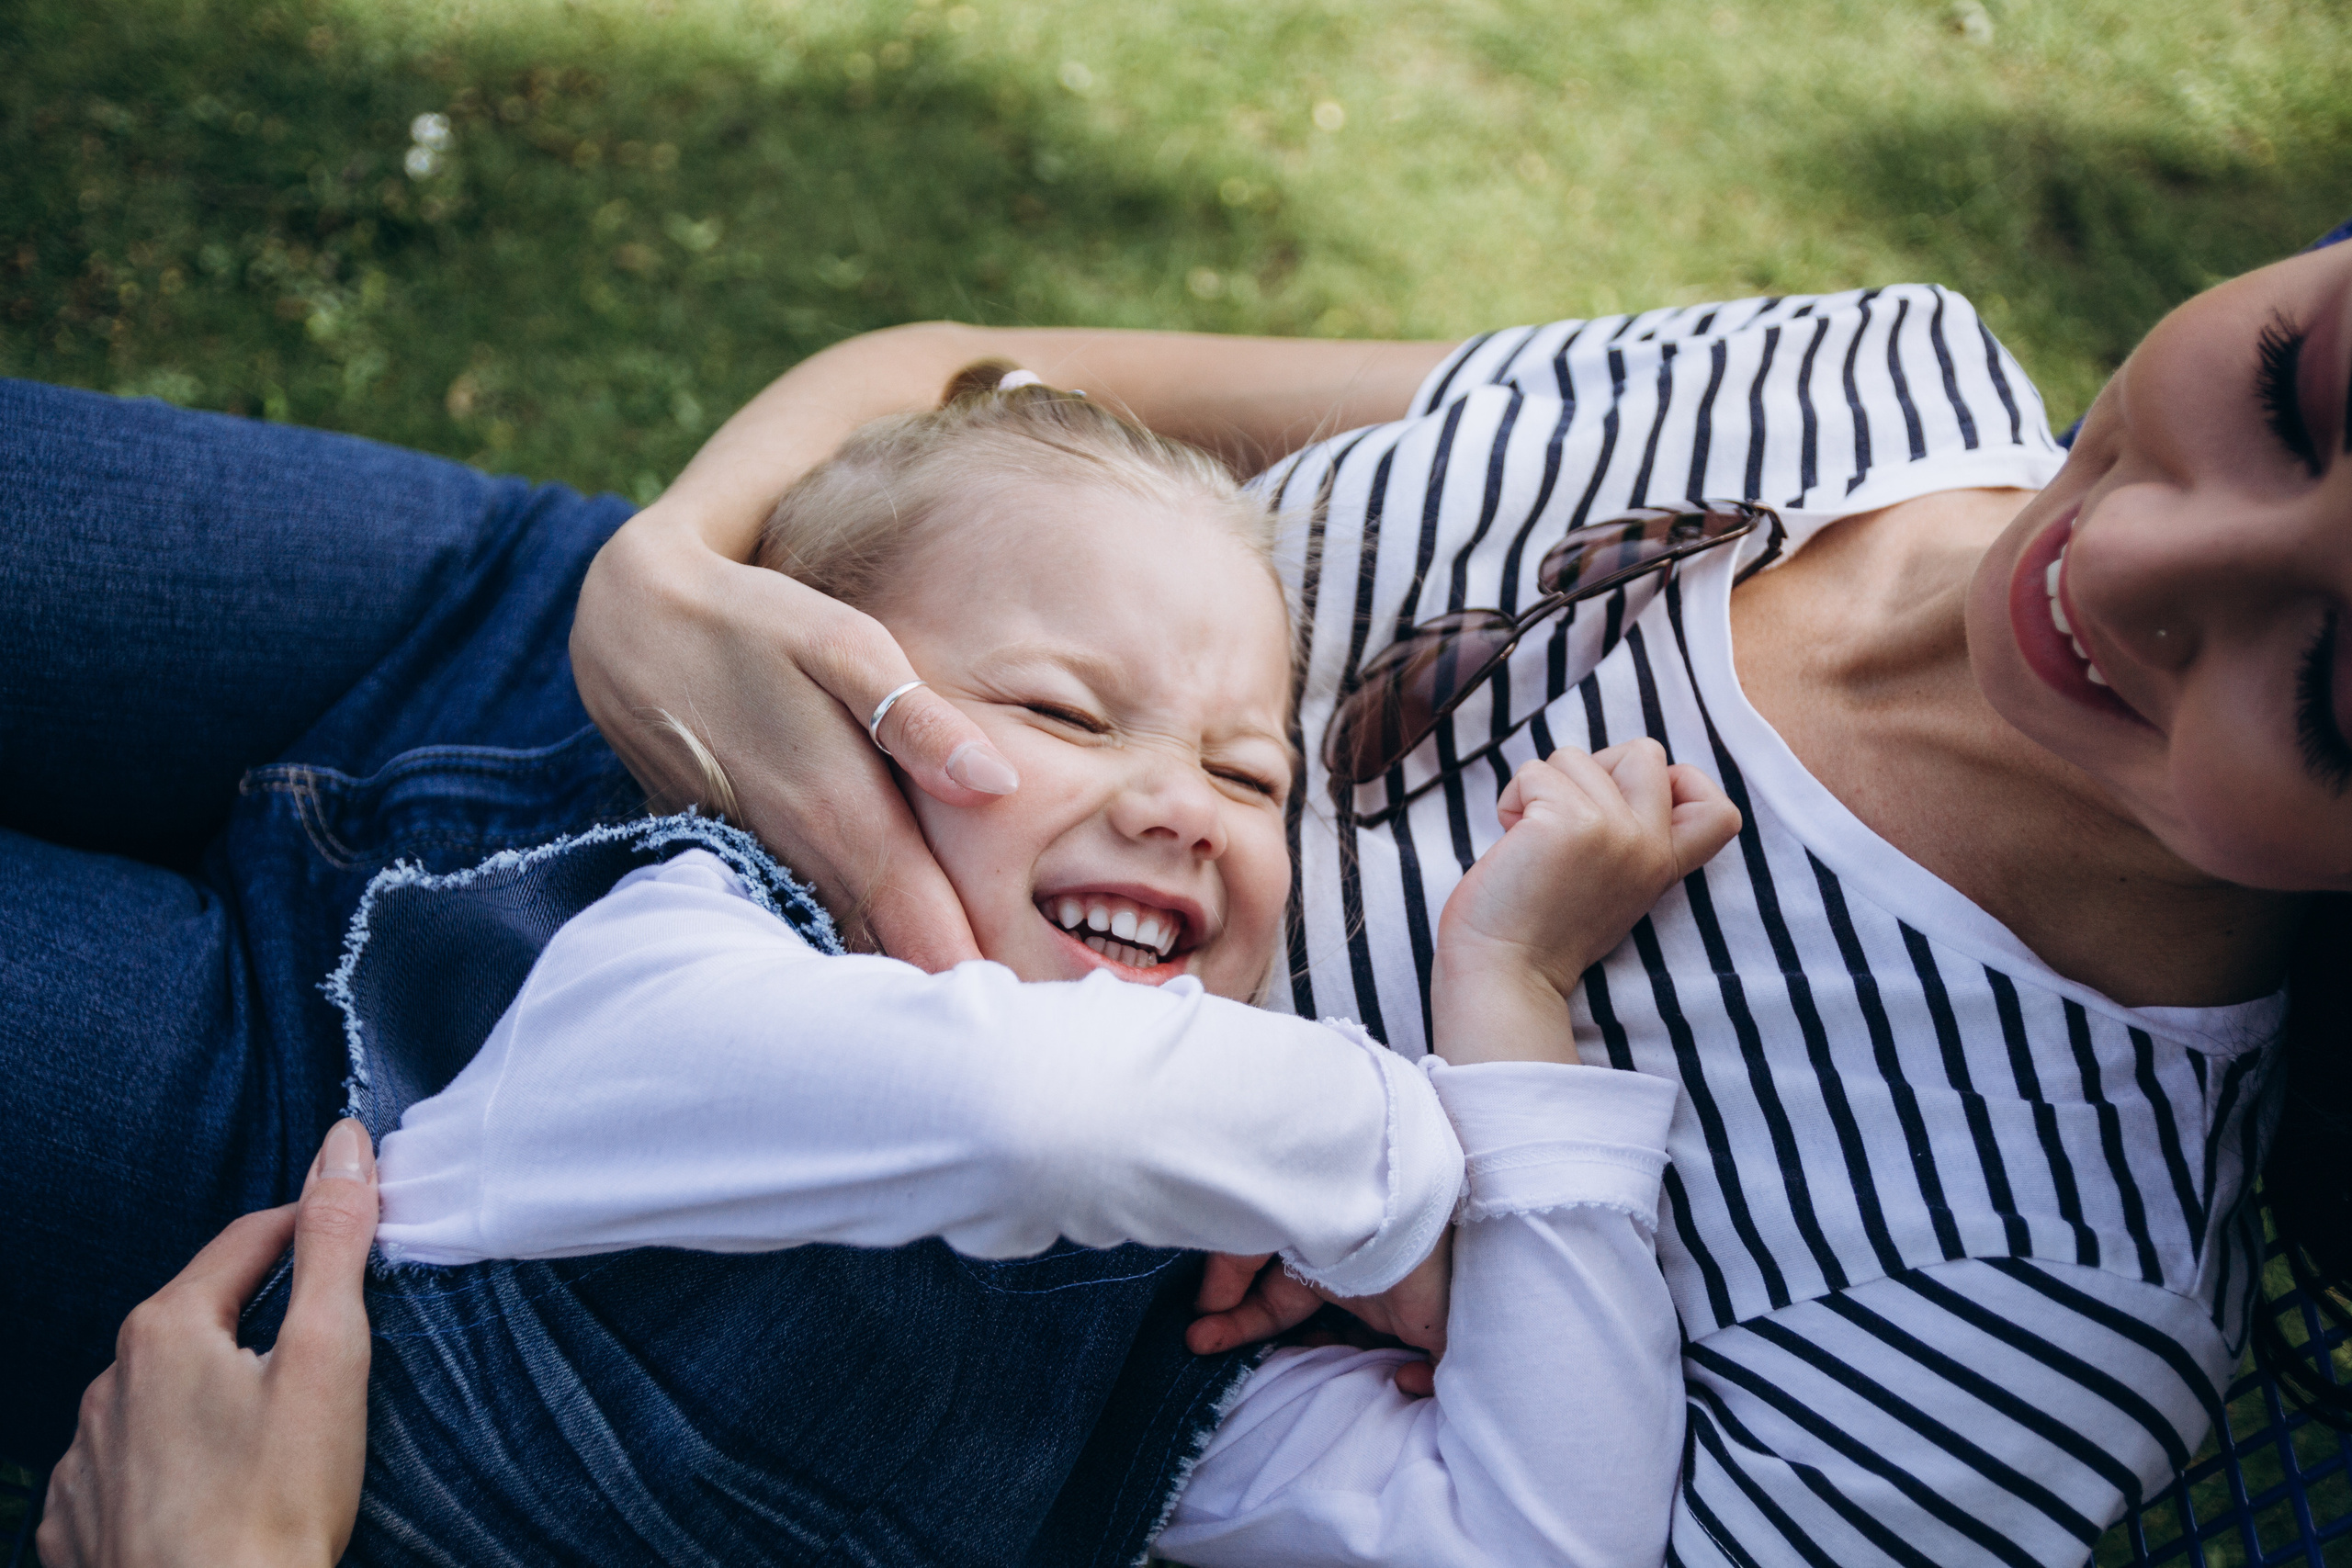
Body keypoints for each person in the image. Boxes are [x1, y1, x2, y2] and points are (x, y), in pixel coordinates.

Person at [11, 221, 2350, 1565]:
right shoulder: (1856, 380)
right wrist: (664, 570)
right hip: (521, 645)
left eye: (2332, 682)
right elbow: (960, 375)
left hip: (490, 1259)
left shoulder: (2036, 1307)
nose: (2142, 562)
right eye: (2293, 390)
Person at [346, 359, 1738, 1564]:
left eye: (1248, 777)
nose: (1183, 805)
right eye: (1063, 713)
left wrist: (1509, 993)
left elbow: (1542, 1536)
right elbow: (1037, 1110)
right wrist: (1407, 1169)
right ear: (807, 705)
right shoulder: (678, 956)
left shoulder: (1175, 1325)